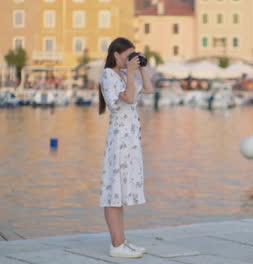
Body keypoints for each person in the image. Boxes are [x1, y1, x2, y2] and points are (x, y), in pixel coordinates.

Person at [98, 37, 154, 259]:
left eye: (134, 54)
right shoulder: (108, 76)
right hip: (119, 141)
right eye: (128, 55)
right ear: (117, 55)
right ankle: (116, 245)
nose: (131, 59)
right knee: (113, 192)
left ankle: (121, 241)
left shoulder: (123, 75)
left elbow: (148, 89)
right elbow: (129, 98)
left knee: (120, 193)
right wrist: (131, 72)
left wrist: (141, 68)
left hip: (130, 142)